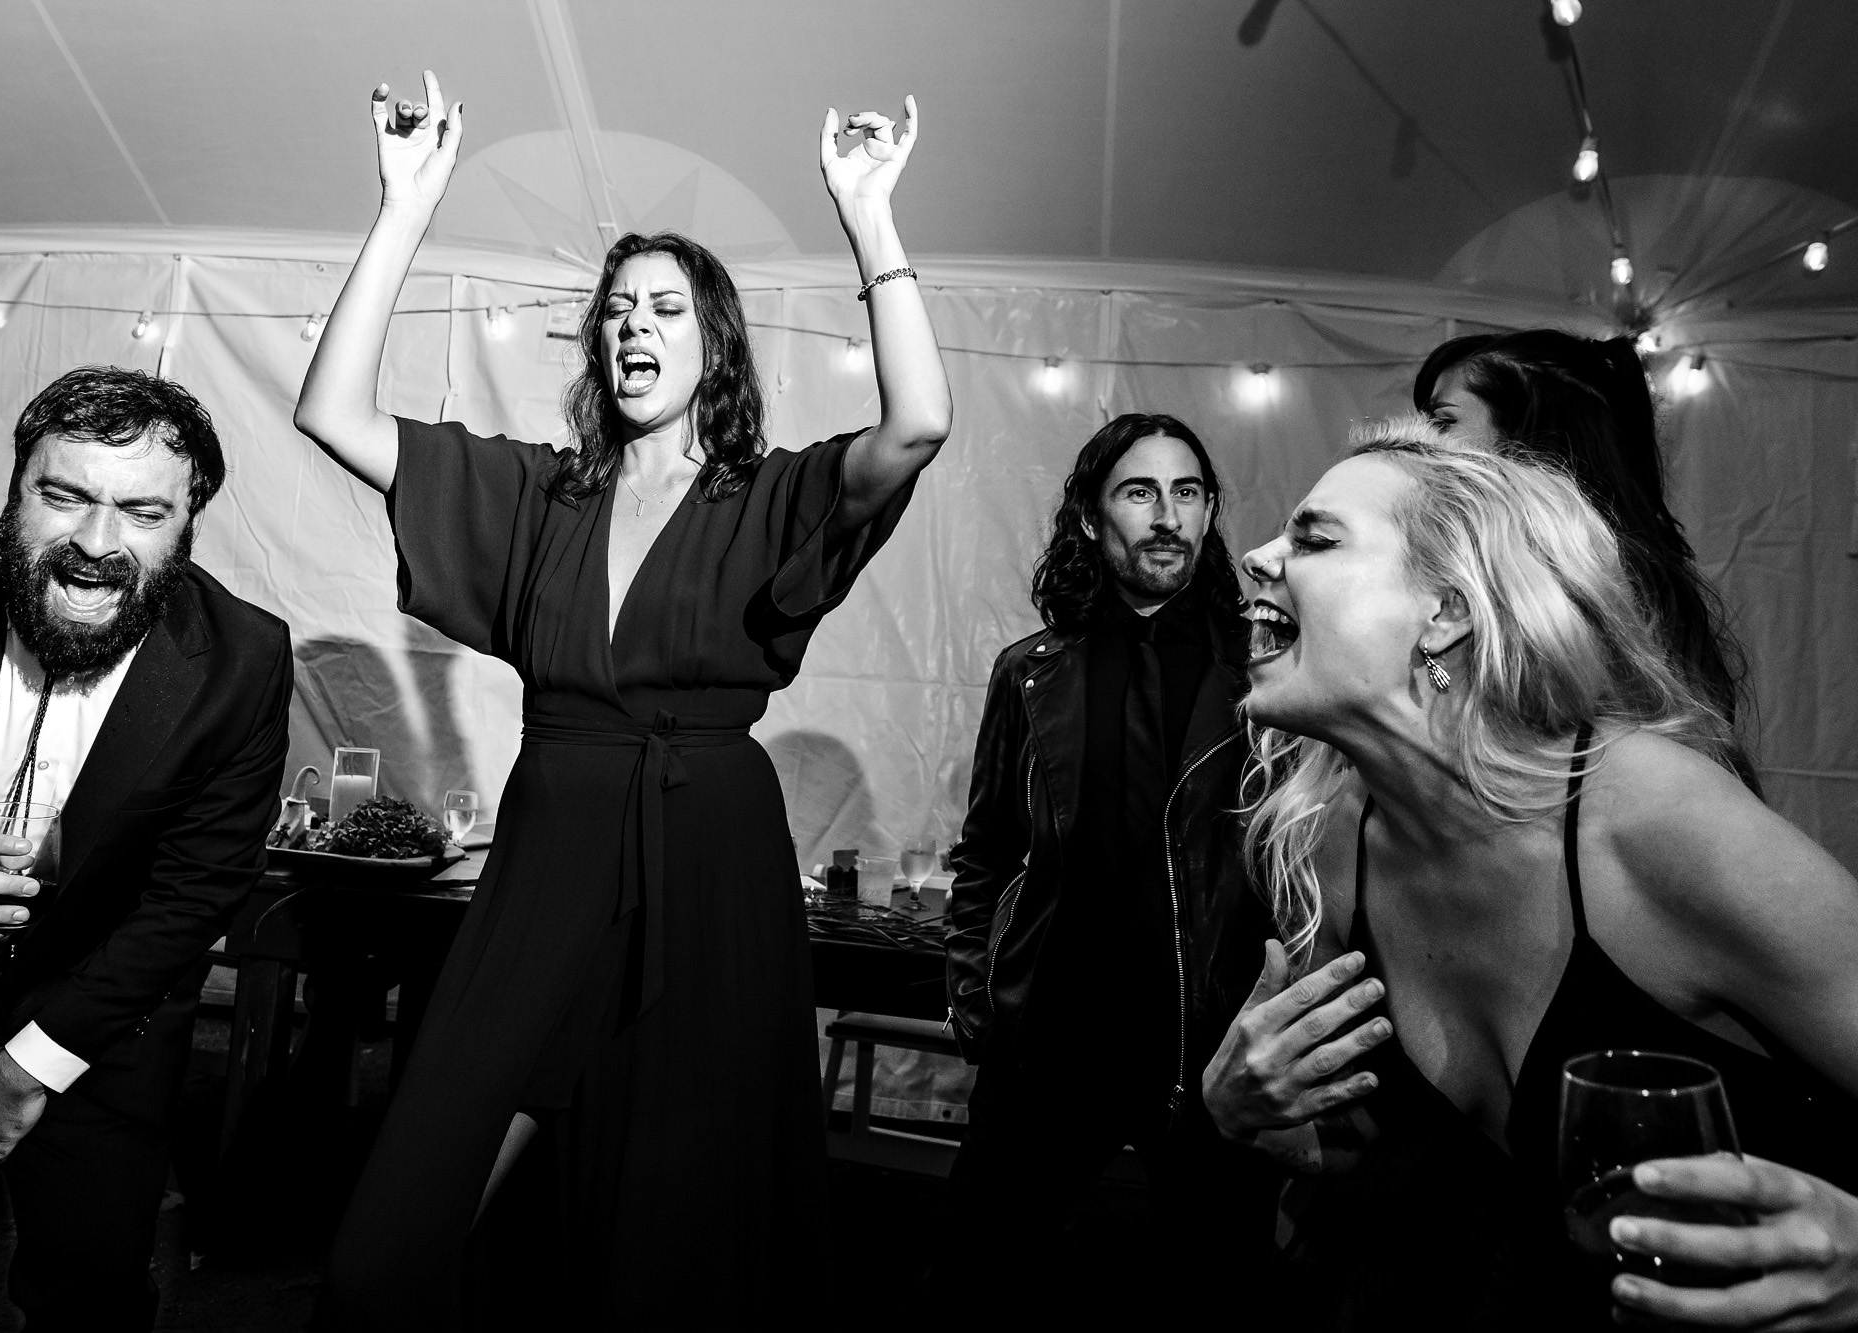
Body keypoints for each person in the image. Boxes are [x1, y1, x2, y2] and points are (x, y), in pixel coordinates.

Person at [294, 72, 949, 1326]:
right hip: (549, 864)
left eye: (663, 306)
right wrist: (401, 208)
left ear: (714, 341)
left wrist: (869, 218)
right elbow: (330, 410)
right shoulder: (544, 495)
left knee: (676, 1236)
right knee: (385, 1253)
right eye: (612, 313)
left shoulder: (767, 497)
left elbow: (915, 421)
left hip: (711, 864)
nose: (631, 328)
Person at [1201, 420, 1858, 1331]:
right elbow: (1374, 1159)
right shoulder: (1328, 842)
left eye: (1314, 538)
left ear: (1445, 610)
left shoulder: (1652, 817)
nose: (1255, 555)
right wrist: (1240, 1108)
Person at [0, 365, 294, 1328]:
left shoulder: (243, 658)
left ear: (189, 524)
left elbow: (198, 888)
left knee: (92, 1294)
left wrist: (33, 1062)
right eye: (65, 497)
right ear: (14, 491)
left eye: (143, 511)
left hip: (88, 999)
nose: (98, 545)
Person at [941, 413, 1276, 1320]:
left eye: (1188, 492)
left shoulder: (1265, 676)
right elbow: (986, 853)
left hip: (1205, 1042)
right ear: (1092, 518)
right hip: (1051, 1039)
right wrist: (975, 996)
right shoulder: (1031, 673)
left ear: (1209, 515)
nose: (1168, 515)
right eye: (1140, 491)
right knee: (983, 1271)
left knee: (1217, 1288)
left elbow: (1295, 863)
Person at [1414, 329, 1757, 789]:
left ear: (1526, 435)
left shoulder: (1600, 580)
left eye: (1441, 422)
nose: (1415, 441)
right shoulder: (1472, 560)